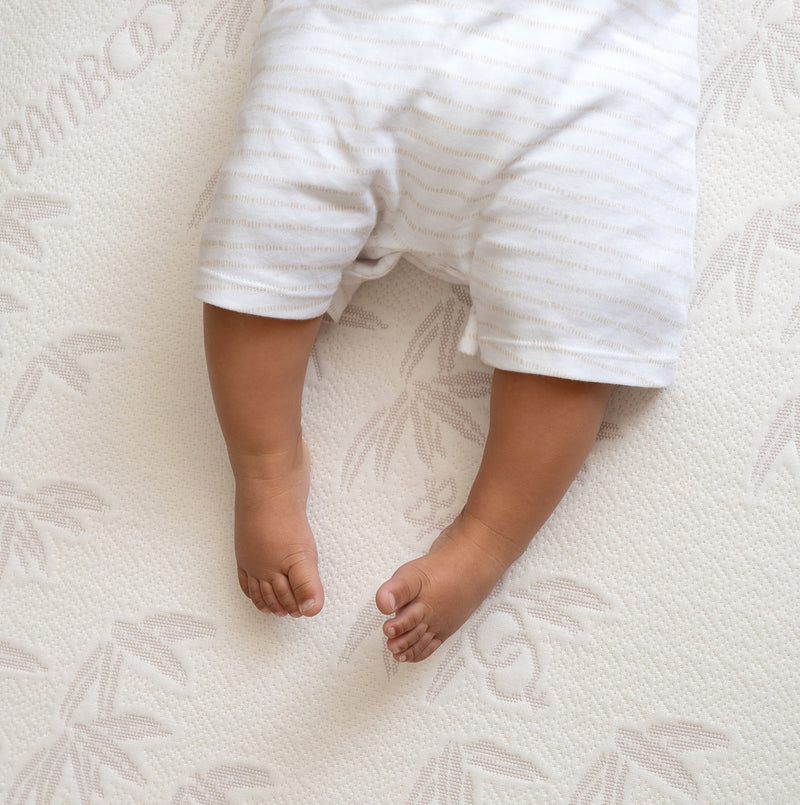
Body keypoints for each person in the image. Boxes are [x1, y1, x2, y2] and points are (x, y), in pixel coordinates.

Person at [195, 0, 698, 664]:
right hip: (365, 37)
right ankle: (265, 469)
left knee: (581, 309)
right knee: (263, 231)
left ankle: (485, 539)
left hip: (583, 76)